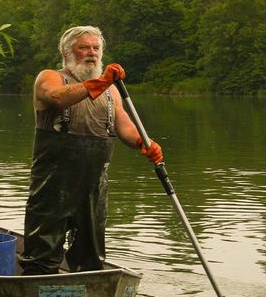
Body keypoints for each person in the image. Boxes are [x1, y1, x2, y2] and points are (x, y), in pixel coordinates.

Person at [20, 25, 164, 275]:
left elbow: (125, 126)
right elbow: (57, 97)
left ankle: (89, 295)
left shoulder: (110, 90)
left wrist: (144, 141)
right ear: (67, 53)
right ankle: (37, 292)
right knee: (42, 254)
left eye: (96, 48)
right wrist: (101, 81)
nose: (92, 53)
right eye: (84, 47)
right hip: (53, 184)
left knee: (91, 257)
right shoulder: (50, 77)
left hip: (94, 185)